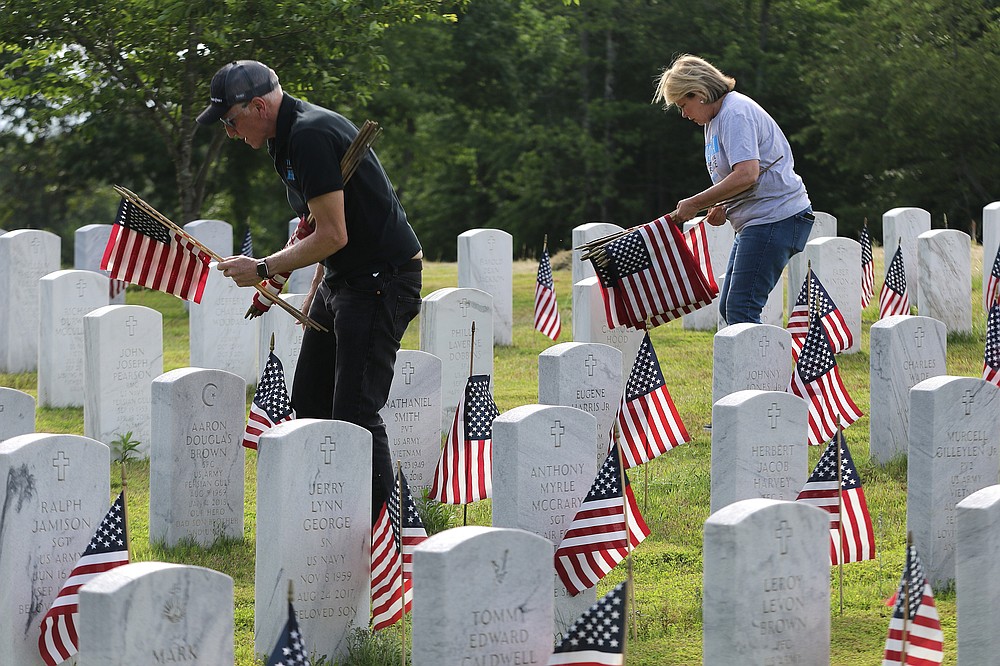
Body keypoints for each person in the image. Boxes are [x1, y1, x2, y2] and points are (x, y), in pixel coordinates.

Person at [198, 60, 423, 521]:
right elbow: (323, 226)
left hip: (382, 281)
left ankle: (387, 535)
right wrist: (318, 286)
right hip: (346, 279)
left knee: (356, 414)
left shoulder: (309, 136)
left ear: (258, 105)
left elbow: (334, 233)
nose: (229, 132)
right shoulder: (283, 140)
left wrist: (261, 267)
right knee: (312, 400)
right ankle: (332, 517)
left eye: (230, 120)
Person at [653, 54, 814, 325]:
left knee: (742, 310)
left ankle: (768, 369)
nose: (684, 114)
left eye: (684, 104)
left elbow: (747, 174)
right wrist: (723, 204)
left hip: (775, 218)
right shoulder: (714, 120)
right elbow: (740, 176)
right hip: (758, 220)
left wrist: (695, 202)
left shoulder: (734, 113)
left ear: (699, 93)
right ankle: (759, 368)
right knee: (731, 309)